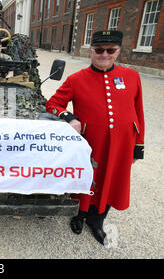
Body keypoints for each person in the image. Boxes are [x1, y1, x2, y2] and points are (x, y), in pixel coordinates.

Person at [45, 30, 145, 245]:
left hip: (121, 144)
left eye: (111, 50)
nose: (104, 54)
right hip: (91, 143)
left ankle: (97, 220)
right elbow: (52, 104)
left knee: (112, 180)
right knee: (87, 180)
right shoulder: (76, 79)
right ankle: (80, 215)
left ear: (118, 52)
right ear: (91, 52)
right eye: (99, 50)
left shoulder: (132, 76)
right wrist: (69, 117)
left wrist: (139, 146)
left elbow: (139, 112)